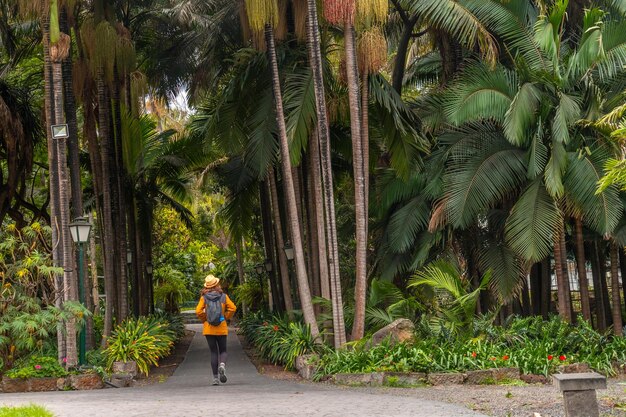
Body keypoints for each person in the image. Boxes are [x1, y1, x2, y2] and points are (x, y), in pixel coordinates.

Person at [195, 274, 237, 385]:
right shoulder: (223, 296)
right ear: (216, 284)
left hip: (209, 329)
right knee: (223, 350)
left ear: (207, 286)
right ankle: (222, 365)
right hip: (221, 327)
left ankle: (215, 379)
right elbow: (233, 308)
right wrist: (225, 317)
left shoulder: (204, 297)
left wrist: (206, 319)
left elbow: (198, 311)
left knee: (213, 352)